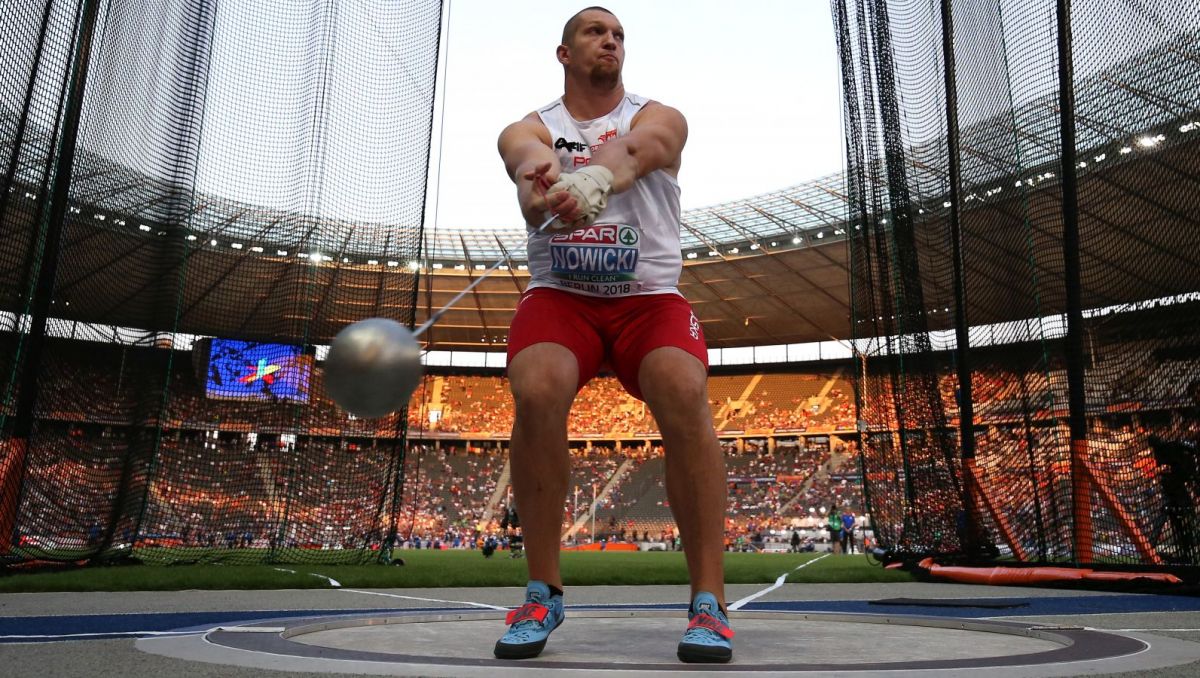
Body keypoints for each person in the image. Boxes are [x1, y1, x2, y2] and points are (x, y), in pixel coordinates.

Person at [494, 6, 731, 663]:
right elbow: (526, 162)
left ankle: (708, 602)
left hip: (646, 299)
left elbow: (639, 150)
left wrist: (596, 178)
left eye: (618, 35)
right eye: (595, 32)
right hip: (561, 296)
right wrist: (540, 192)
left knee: (682, 388)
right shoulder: (529, 126)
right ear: (564, 53)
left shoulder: (660, 116)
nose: (610, 41)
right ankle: (542, 593)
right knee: (537, 388)